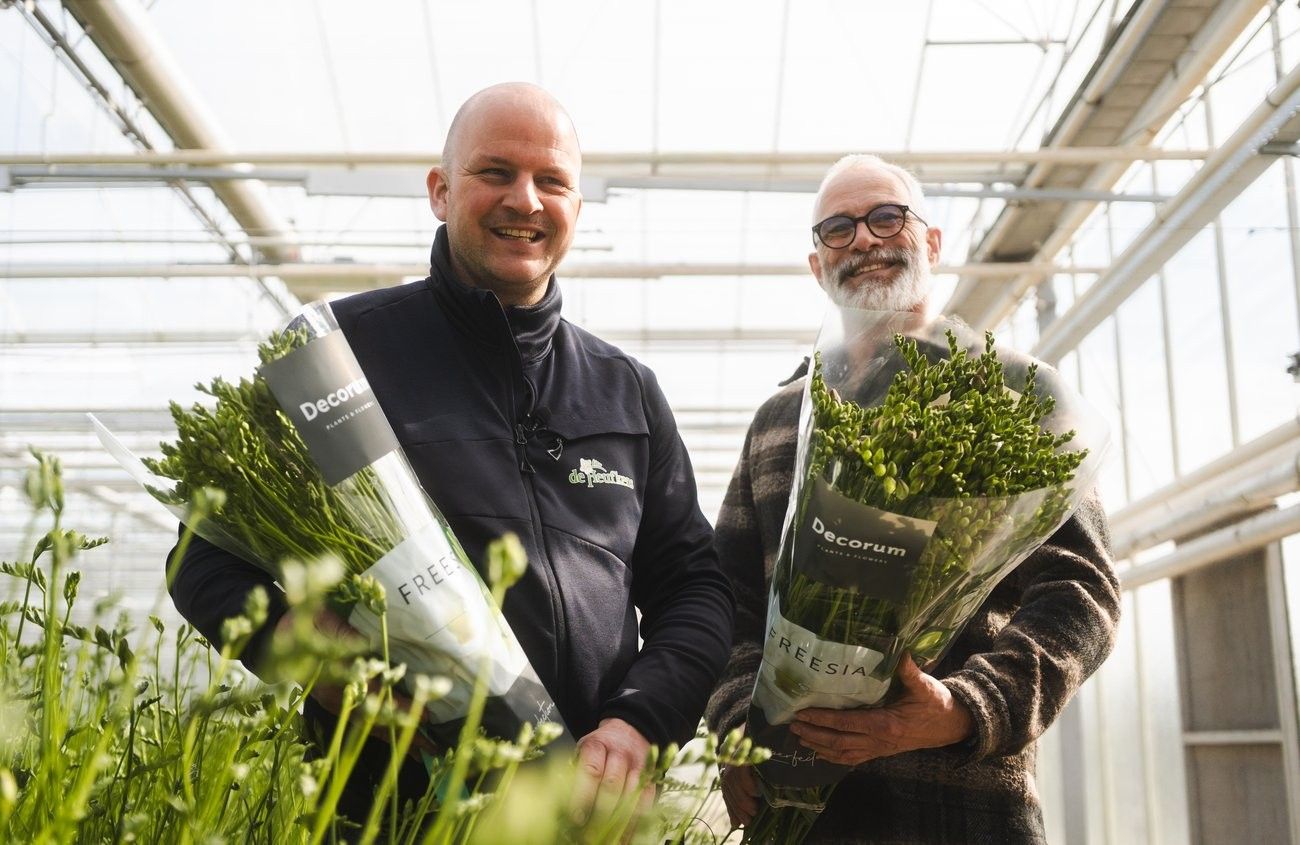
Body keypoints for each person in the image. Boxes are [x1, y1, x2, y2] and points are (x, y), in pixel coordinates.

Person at [168, 82, 734, 825]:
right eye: (495, 173)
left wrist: (637, 723)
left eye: (552, 181)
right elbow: (202, 557)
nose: (525, 200)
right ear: (441, 191)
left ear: (577, 208)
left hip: (584, 818)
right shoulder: (337, 358)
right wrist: (308, 650)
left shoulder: (625, 391)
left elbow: (695, 587)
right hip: (389, 809)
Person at [704, 154, 1120, 843]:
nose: (864, 239)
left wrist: (966, 707)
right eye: (837, 229)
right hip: (800, 815)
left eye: (886, 217)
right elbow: (725, 596)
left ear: (930, 241)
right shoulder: (780, 420)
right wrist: (734, 730)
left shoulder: (1019, 399)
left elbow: (1084, 590)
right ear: (817, 267)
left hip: (964, 811)